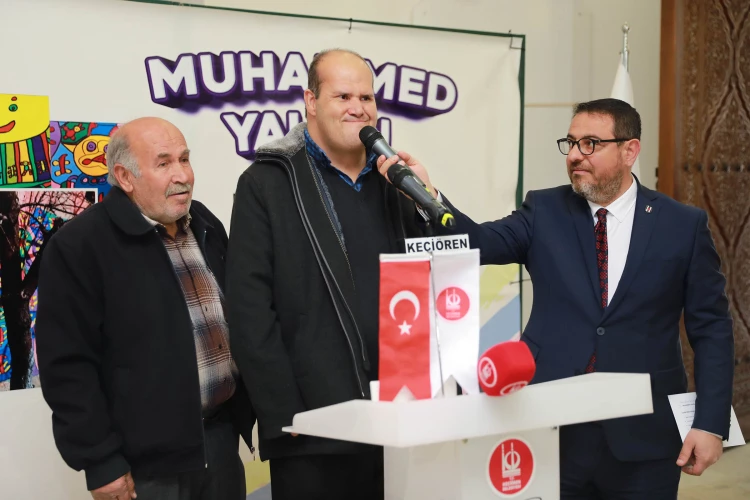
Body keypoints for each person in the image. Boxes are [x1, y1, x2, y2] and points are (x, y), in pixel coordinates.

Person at [376, 98, 734, 499]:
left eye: (591, 144)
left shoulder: (682, 225)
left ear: (630, 150)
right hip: (553, 430)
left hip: (645, 436)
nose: (576, 155)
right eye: (571, 143)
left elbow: (712, 329)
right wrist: (427, 194)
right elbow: (479, 242)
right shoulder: (544, 209)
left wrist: (710, 423)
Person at [226, 48, 428, 499]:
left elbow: (438, 266)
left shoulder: (395, 181)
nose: (358, 107)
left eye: (366, 97)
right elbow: (249, 311)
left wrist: (426, 197)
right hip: (313, 429)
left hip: (399, 418)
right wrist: (286, 413)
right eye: (343, 96)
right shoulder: (267, 183)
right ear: (311, 102)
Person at [35, 117, 255, 500]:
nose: (182, 175)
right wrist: (100, 461)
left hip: (220, 443)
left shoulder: (205, 223)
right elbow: (67, 367)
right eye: (164, 163)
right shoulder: (79, 246)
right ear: (125, 177)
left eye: (184, 159)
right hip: (144, 467)